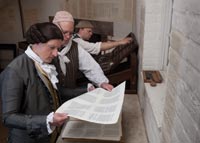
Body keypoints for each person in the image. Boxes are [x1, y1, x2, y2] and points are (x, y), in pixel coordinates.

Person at [0, 22, 68, 143]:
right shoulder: (14, 71)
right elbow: (8, 117)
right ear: (36, 43)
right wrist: (46, 120)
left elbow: (55, 93)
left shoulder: (48, 61)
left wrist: (87, 89)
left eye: (58, 48)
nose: (56, 53)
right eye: (52, 47)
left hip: (49, 136)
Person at [52, 11, 113, 101]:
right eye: (64, 32)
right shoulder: (46, 49)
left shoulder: (75, 47)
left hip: (71, 98)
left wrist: (102, 82)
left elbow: (90, 66)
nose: (68, 37)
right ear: (54, 29)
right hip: (51, 101)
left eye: (70, 33)